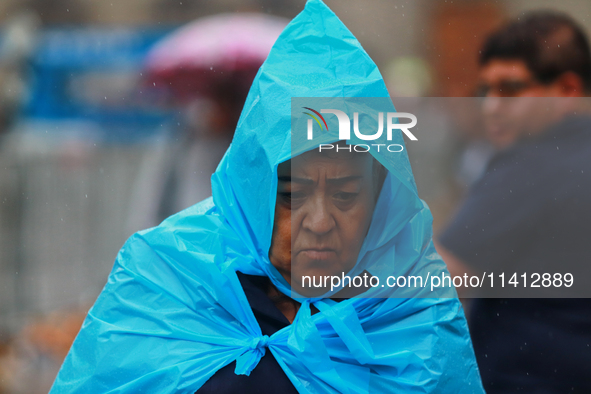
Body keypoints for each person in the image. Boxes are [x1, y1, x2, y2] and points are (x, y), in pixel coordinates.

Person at [50, 1, 483, 392]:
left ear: (381, 205)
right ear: (252, 193)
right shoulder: (168, 279)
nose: (318, 221)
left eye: (346, 195)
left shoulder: (407, 311)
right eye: (292, 196)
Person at [437, 11, 591, 393]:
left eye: (510, 89)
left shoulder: (536, 161)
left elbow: (439, 282)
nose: (491, 107)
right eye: (484, 91)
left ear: (567, 90)